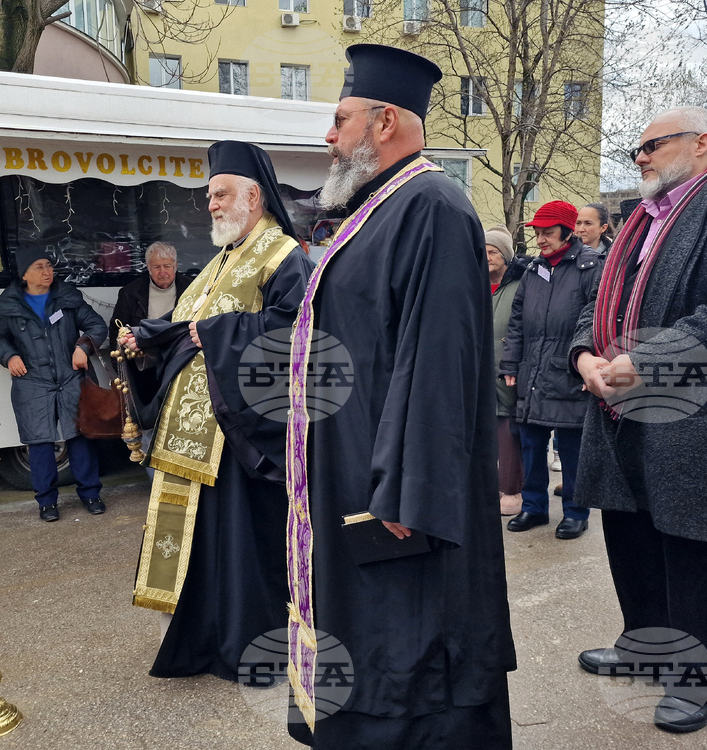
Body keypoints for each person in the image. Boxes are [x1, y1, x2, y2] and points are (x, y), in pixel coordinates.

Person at [286, 44, 516, 749]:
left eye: (340, 119)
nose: (329, 135)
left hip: (395, 495)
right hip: (355, 463)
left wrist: (408, 490)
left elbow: (440, 361)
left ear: (384, 122)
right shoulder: (379, 207)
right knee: (367, 631)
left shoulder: (432, 206)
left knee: (410, 645)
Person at [571, 106, 707, 732]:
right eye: (636, 149)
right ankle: (645, 647)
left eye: (652, 145)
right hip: (619, 406)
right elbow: (598, 302)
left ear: (700, 145)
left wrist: (640, 362)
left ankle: (695, 679)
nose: (639, 157)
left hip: (697, 413)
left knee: (690, 549)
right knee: (629, 536)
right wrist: (584, 354)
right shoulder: (640, 219)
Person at [120, 140, 314, 681]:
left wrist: (219, 333)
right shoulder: (222, 259)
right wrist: (148, 339)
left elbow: (296, 331)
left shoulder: (283, 256)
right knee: (201, 542)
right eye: (209, 195)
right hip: (191, 433)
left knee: (238, 546)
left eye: (220, 194)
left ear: (254, 196)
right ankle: (201, 634)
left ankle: (246, 644)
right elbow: (190, 327)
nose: (210, 204)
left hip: (237, 435)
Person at [500, 201, 601, 540]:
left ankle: (575, 512)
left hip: (570, 371)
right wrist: (511, 364)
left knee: (572, 449)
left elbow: (598, 319)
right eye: (538, 233)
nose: (541, 239)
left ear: (567, 232)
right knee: (531, 445)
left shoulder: (591, 267)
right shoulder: (534, 269)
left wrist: (590, 365)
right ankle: (534, 507)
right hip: (532, 371)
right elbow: (517, 322)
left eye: (548, 232)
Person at [0, 249, 108, 522]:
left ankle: (91, 495)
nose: (47, 271)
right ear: (24, 275)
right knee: (40, 443)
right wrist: (10, 356)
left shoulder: (67, 297)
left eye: (49, 265)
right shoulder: (11, 305)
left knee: (80, 438)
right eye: (39, 267)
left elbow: (96, 325)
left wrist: (83, 346)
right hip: (32, 382)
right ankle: (46, 502)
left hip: (71, 378)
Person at [487, 225, 526, 516]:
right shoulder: (473, 283)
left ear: (505, 255)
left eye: (493, 252)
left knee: (508, 430)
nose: (487, 257)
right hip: (480, 370)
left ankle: (512, 489)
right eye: (483, 251)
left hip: (509, 368)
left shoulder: (519, 284)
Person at [108, 242, 190, 345]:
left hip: (182, 347)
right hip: (144, 350)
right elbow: (116, 331)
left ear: (175, 265)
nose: (162, 272)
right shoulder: (130, 293)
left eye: (167, 266)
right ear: (148, 267)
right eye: (156, 267)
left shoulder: (191, 288)